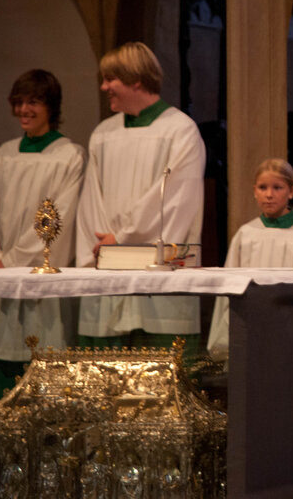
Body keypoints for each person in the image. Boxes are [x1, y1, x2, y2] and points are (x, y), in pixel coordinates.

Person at [74, 41, 206, 354]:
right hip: (106, 273)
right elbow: (91, 201)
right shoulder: (103, 133)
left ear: (136, 80)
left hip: (159, 281)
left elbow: (174, 198)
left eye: (111, 79)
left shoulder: (180, 130)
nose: (104, 87)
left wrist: (121, 238)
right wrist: (104, 247)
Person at [0, 69, 86, 401]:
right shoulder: (4, 154)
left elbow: (59, 218)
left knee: (44, 362)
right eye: (18, 102)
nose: (23, 110)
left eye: (33, 102)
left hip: (38, 281)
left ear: (51, 106)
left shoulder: (68, 155)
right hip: (1, 276)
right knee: (1, 370)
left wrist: (13, 261)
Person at [206, 158, 293, 359]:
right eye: (263, 187)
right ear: (254, 190)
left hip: (289, 321)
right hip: (250, 320)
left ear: (291, 191)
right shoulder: (246, 233)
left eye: (277, 187)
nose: (269, 195)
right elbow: (229, 283)